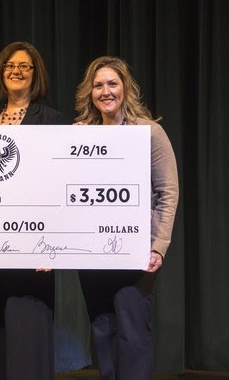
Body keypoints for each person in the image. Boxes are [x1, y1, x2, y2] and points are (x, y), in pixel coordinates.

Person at [74, 56, 179, 380]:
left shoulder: (149, 132)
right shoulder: (82, 136)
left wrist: (158, 247)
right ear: (90, 93)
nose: (105, 91)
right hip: (93, 255)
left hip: (136, 254)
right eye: (98, 85)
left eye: (112, 84)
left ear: (125, 88)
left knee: (133, 337)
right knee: (103, 335)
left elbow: (168, 192)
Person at [0, 41, 68, 380]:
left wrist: (51, 244)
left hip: (32, 247)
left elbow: (59, 185)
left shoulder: (52, 120)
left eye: (25, 66)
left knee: (27, 335)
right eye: (10, 65)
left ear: (35, 74)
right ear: (1, 72)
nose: (16, 71)